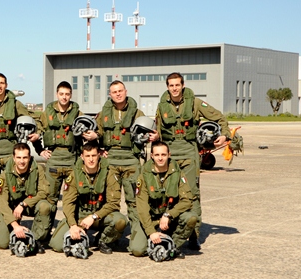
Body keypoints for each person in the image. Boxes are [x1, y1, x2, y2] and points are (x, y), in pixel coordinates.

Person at [155, 72, 229, 250]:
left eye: (177, 85)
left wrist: (224, 134)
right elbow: (158, 131)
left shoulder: (195, 103)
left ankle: (194, 235)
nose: (174, 88)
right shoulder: (161, 106)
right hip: (170, 155)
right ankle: (170, 229)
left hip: (189, 153)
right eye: (171, 85)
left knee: (192, 193)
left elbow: (218, 117)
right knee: (169, 193)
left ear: (183, 85)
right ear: (167, 87)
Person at [90, 80, 157, 252]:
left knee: (134, 202)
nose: (118, 94)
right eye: (114, 91)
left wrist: (154, 137)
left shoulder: (137, 113)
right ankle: (107, 237)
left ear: (125, 91)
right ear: (110, 94)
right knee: (108, 201)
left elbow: (150, 131)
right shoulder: (103, 113)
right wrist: (99, 148)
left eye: (120, 91)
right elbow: (97, 133)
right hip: (110, 161)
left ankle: (138, 235)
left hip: (131, 160)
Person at [49, 141, 128, 255]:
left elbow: (114, 203)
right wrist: (73, 225)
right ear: (82, 157)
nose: (91, 159)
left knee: (120, 221)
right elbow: (68, 204)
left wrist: (94, 216)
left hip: (100, 216)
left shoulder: (109, 173)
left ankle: (102, 240)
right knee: (57, 245)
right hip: (79, 217)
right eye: (87, 156)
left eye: (93, 155)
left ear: (98, 156)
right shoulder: (74, 175)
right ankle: (76, 233)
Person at [129, 140, 197, 258]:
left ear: (169, 155)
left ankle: (174, 246)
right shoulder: (144, 175)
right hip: (150, 218)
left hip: (169, 219)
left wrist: (168, 215)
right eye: (157, 155)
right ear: (152, 156)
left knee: (190, 218)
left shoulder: (178, 173)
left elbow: (187, 200)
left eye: (163, 155)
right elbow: (142, 207)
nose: (160, 158)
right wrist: (151, 232)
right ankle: (157, 240)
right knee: (137, 250)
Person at [0, 143, 55, 252]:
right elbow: (2, 202)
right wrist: (15, 225)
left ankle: (37, 239)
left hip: (30, 206)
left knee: (45, 206)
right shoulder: (5, 175)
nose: (22, 161)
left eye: (25, 157)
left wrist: (24, 204)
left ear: (29, 158)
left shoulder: (38, 170)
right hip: (12, 209)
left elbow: (43, 192)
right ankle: (4, 226)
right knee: (1, 243)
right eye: (19, 157)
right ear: (13, 158)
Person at [36, 80, 84, 203]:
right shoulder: (47, 114)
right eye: (61, 94)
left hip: (72, 159)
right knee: (50, 198)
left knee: (72, 199)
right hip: (54, 159)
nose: (64, 97)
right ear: (57, 94)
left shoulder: (78, 114)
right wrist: (40, 150)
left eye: (67, 94)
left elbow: (89, 133)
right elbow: (36, 131)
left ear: (71, 95)